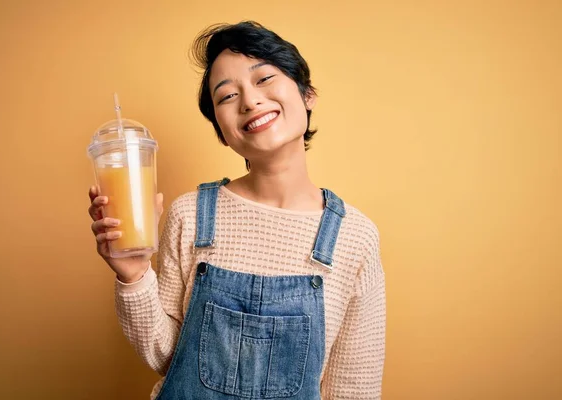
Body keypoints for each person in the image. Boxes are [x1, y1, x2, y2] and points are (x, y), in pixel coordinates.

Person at [88, 21, 386, 400]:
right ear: (221, 130)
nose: (249, 102)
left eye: (264, 79)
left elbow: (354, 389)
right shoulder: (190, 215)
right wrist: (132, 275)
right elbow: (167, 356)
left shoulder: (355, 236)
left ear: (307, 93)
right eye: (227, 96)